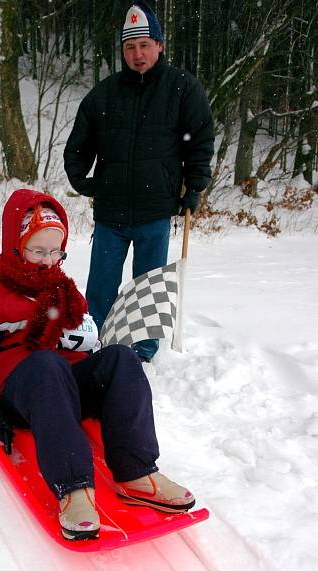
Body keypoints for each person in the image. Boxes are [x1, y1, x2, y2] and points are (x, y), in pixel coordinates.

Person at [0, 189, 195, 541]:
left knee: (121, 357)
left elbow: (87, 341)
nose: (48, 260)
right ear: (16, 245)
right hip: (23, 391)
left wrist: (94, 351)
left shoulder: (66, 291)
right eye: (37, 250)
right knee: (47, 365)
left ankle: (136, 471)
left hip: (65, 386)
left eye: (55, 251)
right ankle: (73, 487)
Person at [64, 2, 214, 362]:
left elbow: (201, 139)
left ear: (159, 45)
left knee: (147, 287)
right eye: (130, 47)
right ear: (123, 51)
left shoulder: (182, 89)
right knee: (101, 285)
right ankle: (94, 342)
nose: (138, 54)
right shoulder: (105, 93)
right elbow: (78, 145)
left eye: (145, 44)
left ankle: (143, 351)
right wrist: (83, 181)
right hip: (111, 212)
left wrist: (194, 187)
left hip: (156, 210)